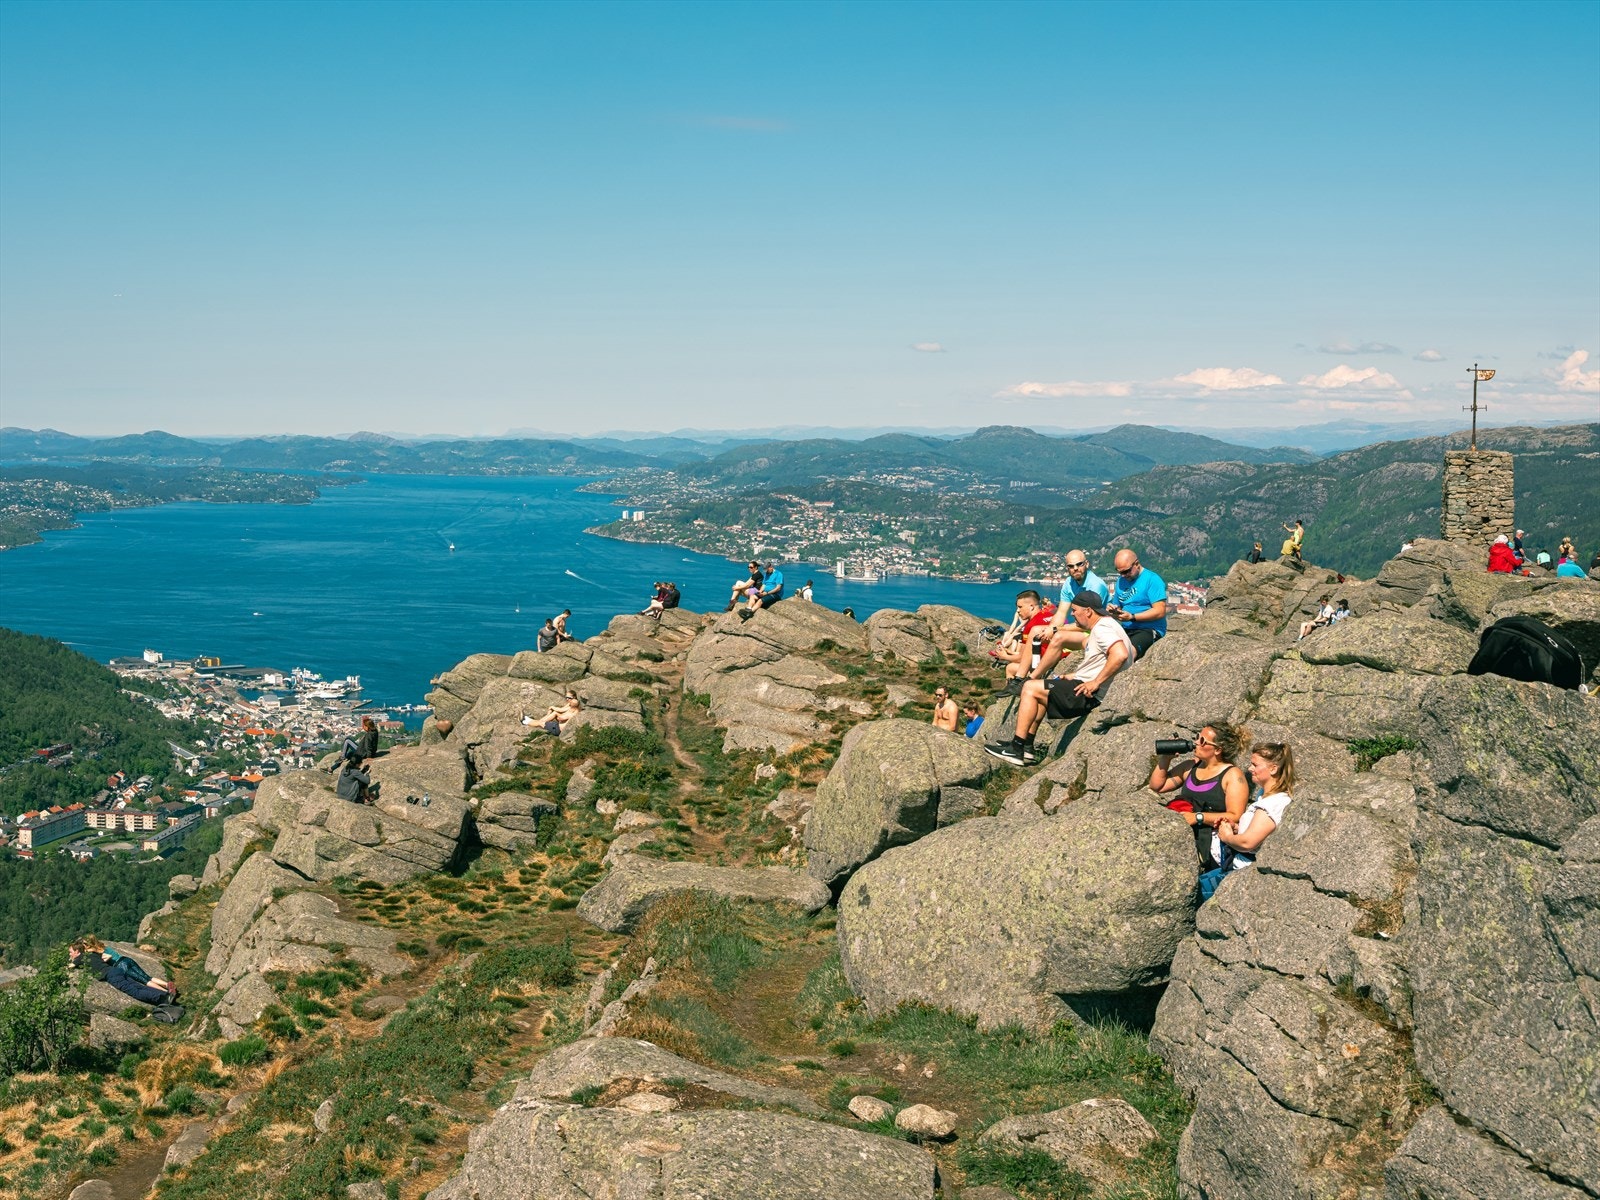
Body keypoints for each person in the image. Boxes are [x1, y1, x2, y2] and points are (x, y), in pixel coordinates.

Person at [986, 592, 1131, 766]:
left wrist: (1096, 682)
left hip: (1089, 694)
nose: (1072, 614)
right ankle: (1027, 747)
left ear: (1088, 611)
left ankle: (1016, 749)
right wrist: (1076, 675)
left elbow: (1120, 655)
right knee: (1039, 691)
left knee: (1030, 687)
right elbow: (1126, 654)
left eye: (1075, 610)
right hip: (1087, 687)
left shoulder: (1102, 629)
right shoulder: (1109, 625)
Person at [1148, 721, 1250, 876]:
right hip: (1183, 837)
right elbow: (1158, 786)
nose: (1196, 742)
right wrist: (1165, 759)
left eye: (1202, 740)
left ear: (1218, 750)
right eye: (1197, 737)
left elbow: (1235, 816)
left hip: (1211, 843)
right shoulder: (1190, 767)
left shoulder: (1233, 775)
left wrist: (1198, 817)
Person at [1201, 741, 1295, 901]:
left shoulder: (1274, 803)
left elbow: (1248, 843)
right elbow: (1258, 832)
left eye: (1255, 765)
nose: (1250, 768)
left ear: (1273, 769)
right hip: (1236, 867)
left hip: (1242, 873)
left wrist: (1227, 837)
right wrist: (1235, 827)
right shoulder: (1263, 796)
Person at [1031, 552, 1111, 679]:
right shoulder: (1069, 583)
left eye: (1079, 564)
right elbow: (1061, 613)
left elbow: (1088, 624)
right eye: (1071, 566)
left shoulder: (1095, 586)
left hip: (1097, 631)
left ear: (1087, 564)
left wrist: (1056, 629)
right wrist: (1050, 629)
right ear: (1067, 568)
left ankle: (1032, 678)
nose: (1075, 568)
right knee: (1035, 630)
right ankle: (1020, 677)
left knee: (1059, 636)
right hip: (1083, 629)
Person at [71, 938, 179, 1005]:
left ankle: (164, 999)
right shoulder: (94, 952)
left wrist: (72, 962)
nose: (70, 955)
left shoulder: (80, 958)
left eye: (71, 952)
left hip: (112, 974)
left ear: (77, 951)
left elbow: (70, 966)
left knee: (135, 991)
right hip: (118, 968)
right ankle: (165, 994)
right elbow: (106, 955)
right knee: (141, 984)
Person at [1106, 549, 1168, 658]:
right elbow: (1118, 604)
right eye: (1120, 572)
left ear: (1137, 564)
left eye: (1126, 571)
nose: (1124, 575)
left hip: (1148, 629)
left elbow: (1160, 611)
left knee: (1127, 653)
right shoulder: (1121, 581)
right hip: (1127, 628)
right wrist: (1113, 609)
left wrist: (1132, 617)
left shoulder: (1152, 580)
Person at [992, 590, 1056, 690]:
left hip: (1044, 663)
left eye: (1020, 607)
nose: (1018, 610)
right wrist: (1009, 652)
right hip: (1057, 655)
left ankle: (1012, 692)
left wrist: (1004, 657)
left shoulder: (1031, 626)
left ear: (1031, 606)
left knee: (1010, 667)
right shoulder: (1049, 615)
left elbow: (1023, 659)